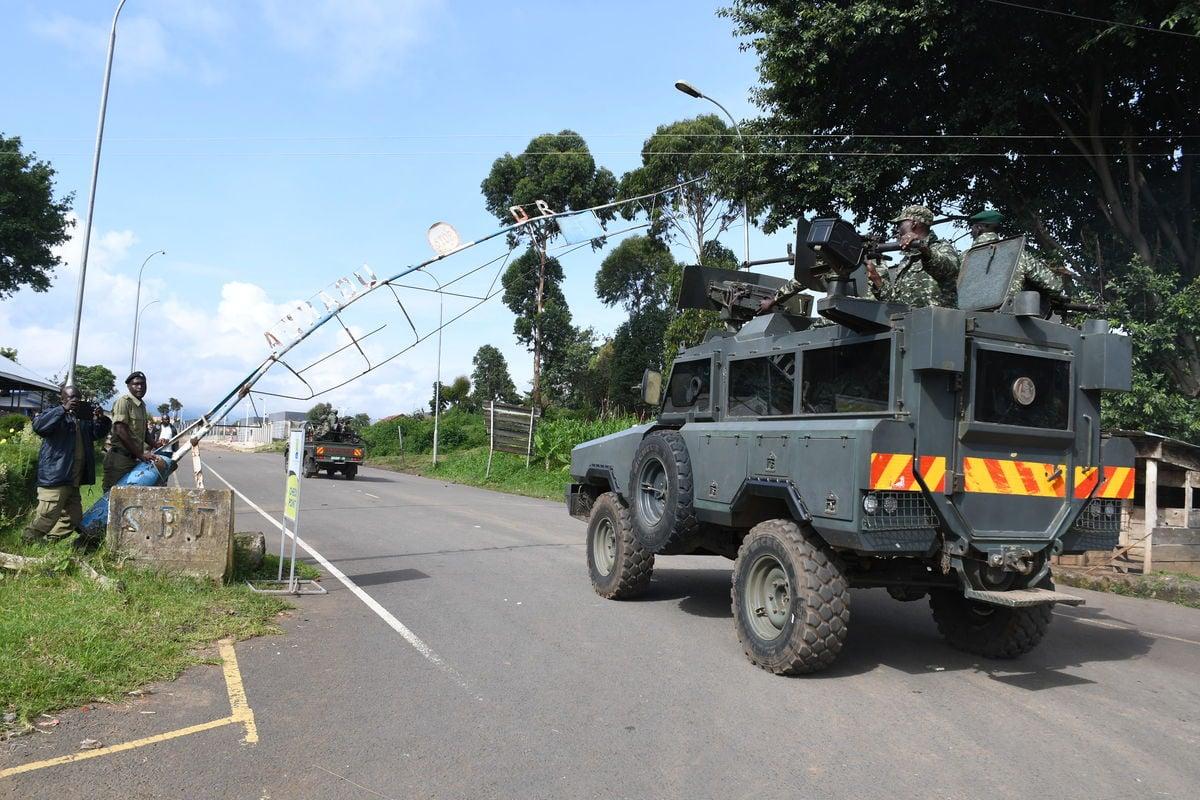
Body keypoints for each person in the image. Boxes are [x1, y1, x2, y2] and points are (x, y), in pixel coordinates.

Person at [23, 386, 111, 544]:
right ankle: (26, 543)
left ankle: (48, 543)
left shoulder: (83, 418)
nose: (75, 400)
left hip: (73, 479)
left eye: (77, 397)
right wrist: (63, 410)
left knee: (73, 518)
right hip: (55, 477)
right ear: (62, 399)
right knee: (46, 517)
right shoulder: (53, 412)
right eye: (71, 397)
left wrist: (101, 420)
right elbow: (39, 426)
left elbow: (97, 434)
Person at [868, 205, 961, 308]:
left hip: (937, 321)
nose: (898, 230)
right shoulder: (907, 260)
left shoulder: (941, 247)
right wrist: (877, 279)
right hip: (908, 322)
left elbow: (949, 269)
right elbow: (896, 304)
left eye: (900, 224)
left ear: (914, 224)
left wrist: (922, 248)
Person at [964, 208, 1064, 298]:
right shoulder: (1017, 255)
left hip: (964, 315)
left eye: (973, 226)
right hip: (1007, 315)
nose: (971, 230)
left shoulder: (964, 258)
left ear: (979, 228)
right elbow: (1054, 286)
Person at [103, 371, 159, 490]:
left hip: (133, 459)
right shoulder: (124, 402)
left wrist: (156, 444)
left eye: (143, 384)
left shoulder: (141, 405)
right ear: (129, 386)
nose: (140, 387)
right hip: (120, 460)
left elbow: (144, 432)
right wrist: (140, 454)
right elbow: (120, 430)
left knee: (128, 496)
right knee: (112, 496)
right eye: (136, 384)